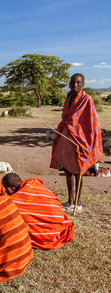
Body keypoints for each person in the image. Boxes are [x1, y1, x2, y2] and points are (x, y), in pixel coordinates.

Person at [50, 73, 102, 211]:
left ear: (83, 84)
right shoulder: (68, 97)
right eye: (73, 82)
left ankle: (78, 203)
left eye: (78, 82)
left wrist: (87, 140)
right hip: (66, 138)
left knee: (78, 171)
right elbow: (67, 117)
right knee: (67, 170)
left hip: (79, 140)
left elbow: (91, 123)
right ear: (69, 83)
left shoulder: (87, 99)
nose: (75, 85)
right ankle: (70, 200)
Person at [2, 173, 74, 249]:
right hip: (61, 230)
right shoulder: (35, 183)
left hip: (46, 237)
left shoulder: (15, 201)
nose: (6, 191)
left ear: (11, 189)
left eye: (6, 189)